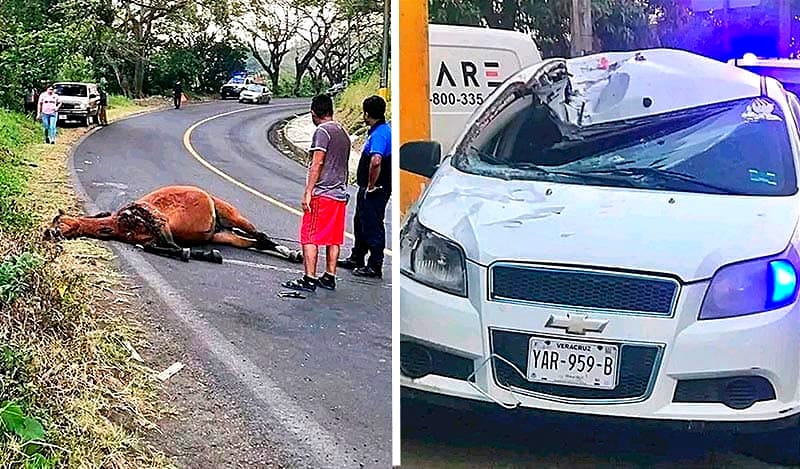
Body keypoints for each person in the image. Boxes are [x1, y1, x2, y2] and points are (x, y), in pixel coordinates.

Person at [282, 94, 351, 292]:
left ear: (313, 113)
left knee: (309, 236)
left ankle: (309, 278)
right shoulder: (342, 131)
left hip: (323, 193)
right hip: (339, 193)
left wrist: (308, 192)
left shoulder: (322, 131)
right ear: (331, 110)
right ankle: (330, 276)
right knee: (333, 237)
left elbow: (317, 162)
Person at [337, 96, 391, 278]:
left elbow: (376, 161)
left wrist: (371, 185)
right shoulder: (378, 130)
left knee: (372, 224)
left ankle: (375, 264)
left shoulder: (380, 134)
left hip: (376, 189)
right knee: (360, 222)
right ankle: (357, 257)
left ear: (367, 114)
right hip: (368, 188)